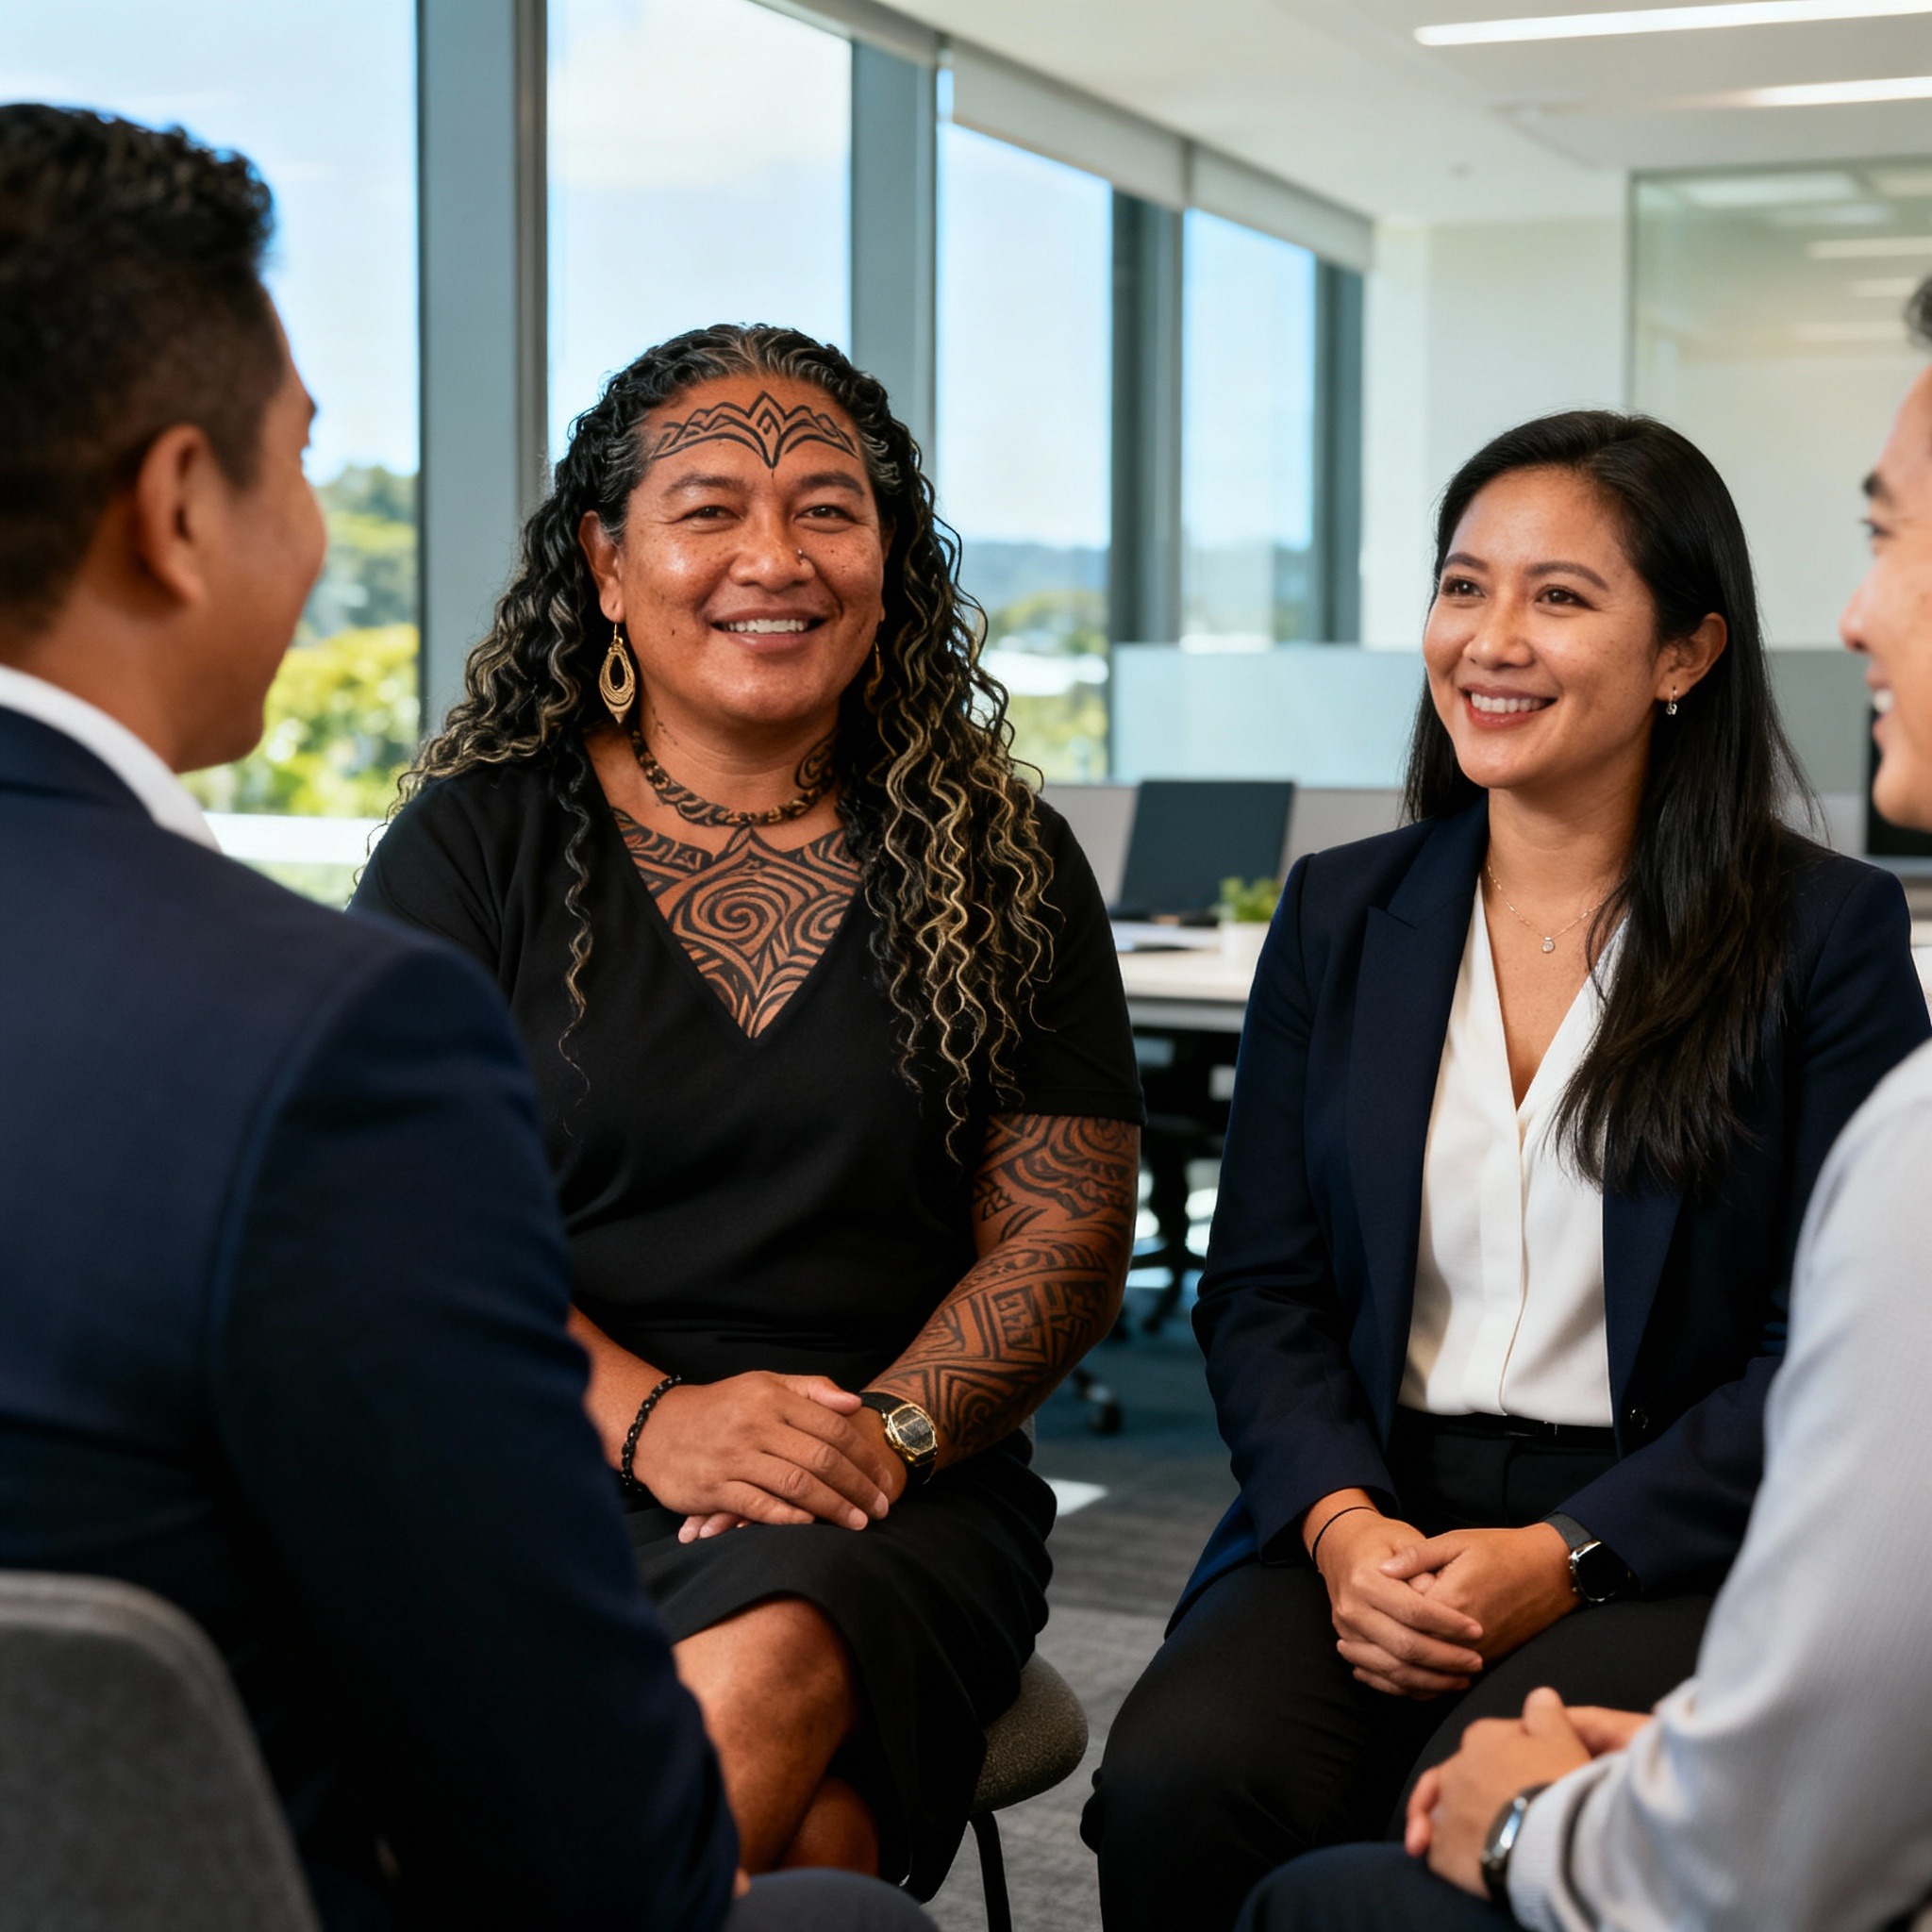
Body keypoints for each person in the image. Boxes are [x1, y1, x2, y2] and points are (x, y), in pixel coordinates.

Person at [0, 104, 930, 1932]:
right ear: (180, 509)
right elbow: (582, 1839)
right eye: (302, 465)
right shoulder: (315, 1040)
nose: (322, 531)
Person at [1084, 409, 1932, 1932]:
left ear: (1688, 654)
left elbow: (1830, 1357)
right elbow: (1262, 1289)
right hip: (1371, 1502)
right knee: (1178, 1787)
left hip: (1657, 1521)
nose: (1492, 639)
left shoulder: (1823, 937)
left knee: (1462, 1832)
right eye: (1464, 587)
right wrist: (1344, 1531)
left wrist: (1564, 1555)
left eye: (1560, 596)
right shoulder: (1343, 914)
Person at [350, 322, 1144, 1896]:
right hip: (538, 1455)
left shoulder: (1005, 860)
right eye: (709, 507)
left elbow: (1062, 1237)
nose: (773, 556)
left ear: (890, 556)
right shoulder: (474, 849)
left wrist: (874, 1442)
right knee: (819, 1856)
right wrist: (660, 1423)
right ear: (606, 556)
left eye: (828, 508)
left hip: (898, 1480)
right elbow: (391, 1230)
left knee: (781, 1646)